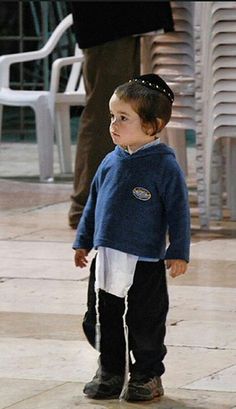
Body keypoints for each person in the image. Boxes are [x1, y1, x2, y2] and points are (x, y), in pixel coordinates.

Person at [72, 73, 191, 402]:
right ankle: (110, 369)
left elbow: (179, 211)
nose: (114, 124)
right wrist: (83, 241)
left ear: (152, 126)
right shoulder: (110, 161)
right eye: (113, 116)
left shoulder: (164, 166)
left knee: (145, 320)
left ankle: (147, 374)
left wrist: (178, 251)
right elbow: (93, 205)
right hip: (107, 258)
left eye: (123, 118)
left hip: (146, 261)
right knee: (101, 316)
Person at [68, 1, 175, 229]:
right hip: (108, 17)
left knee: (124, 111)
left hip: (119, 18)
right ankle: (88, 207)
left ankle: (102, 204)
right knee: (107, 113)